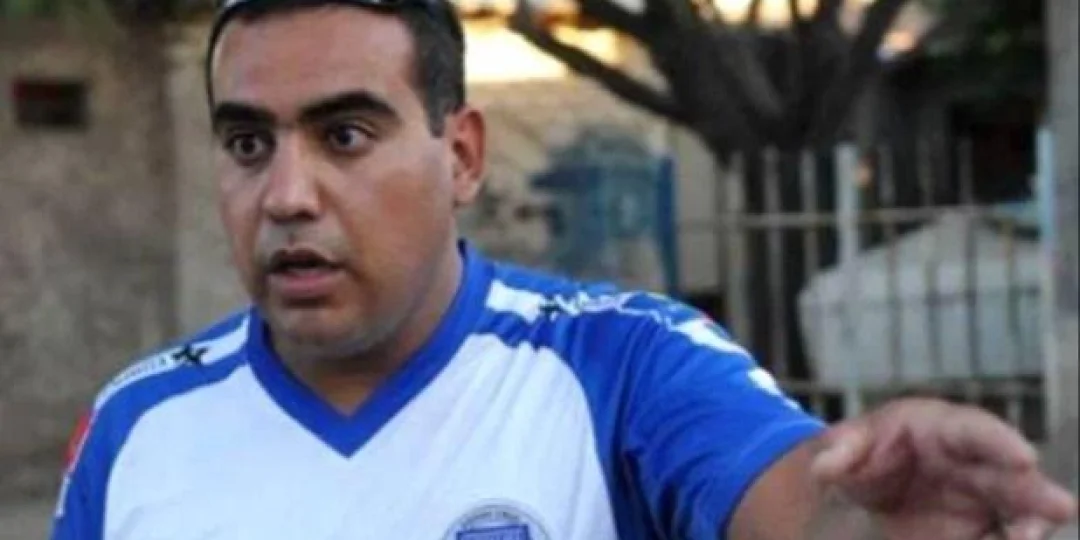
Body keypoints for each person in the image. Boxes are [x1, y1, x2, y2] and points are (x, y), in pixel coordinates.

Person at [50, 0, 1076, 538]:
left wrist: (879, 521)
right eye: (246, 144)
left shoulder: (624, 364)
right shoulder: (138, 426)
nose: (286, 194)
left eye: (346, 135)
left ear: (461, 156)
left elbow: (798, 505)